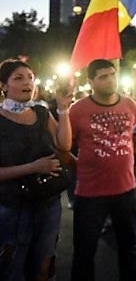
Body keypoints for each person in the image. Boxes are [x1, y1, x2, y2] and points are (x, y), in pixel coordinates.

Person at [0, 59, 73, 281]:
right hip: (12, 207)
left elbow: (64, 145)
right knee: (12, 267)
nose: (27, 83)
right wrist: (34, 167)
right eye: (18, 78)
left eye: (30, 77)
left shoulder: (41, 112)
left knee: (43, 264)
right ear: (3, 86)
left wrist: (63, 109)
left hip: (48, 203)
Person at [69, 59, 136, 281]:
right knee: (84, 253)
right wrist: (80, 165)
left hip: (125, 191)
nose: (110, 80)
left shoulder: (130, 105)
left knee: (129, 249)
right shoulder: (77, 110)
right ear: (91, 81)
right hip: (90, 195)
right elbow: (64, 147)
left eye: (112, 75)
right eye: (103, 76)